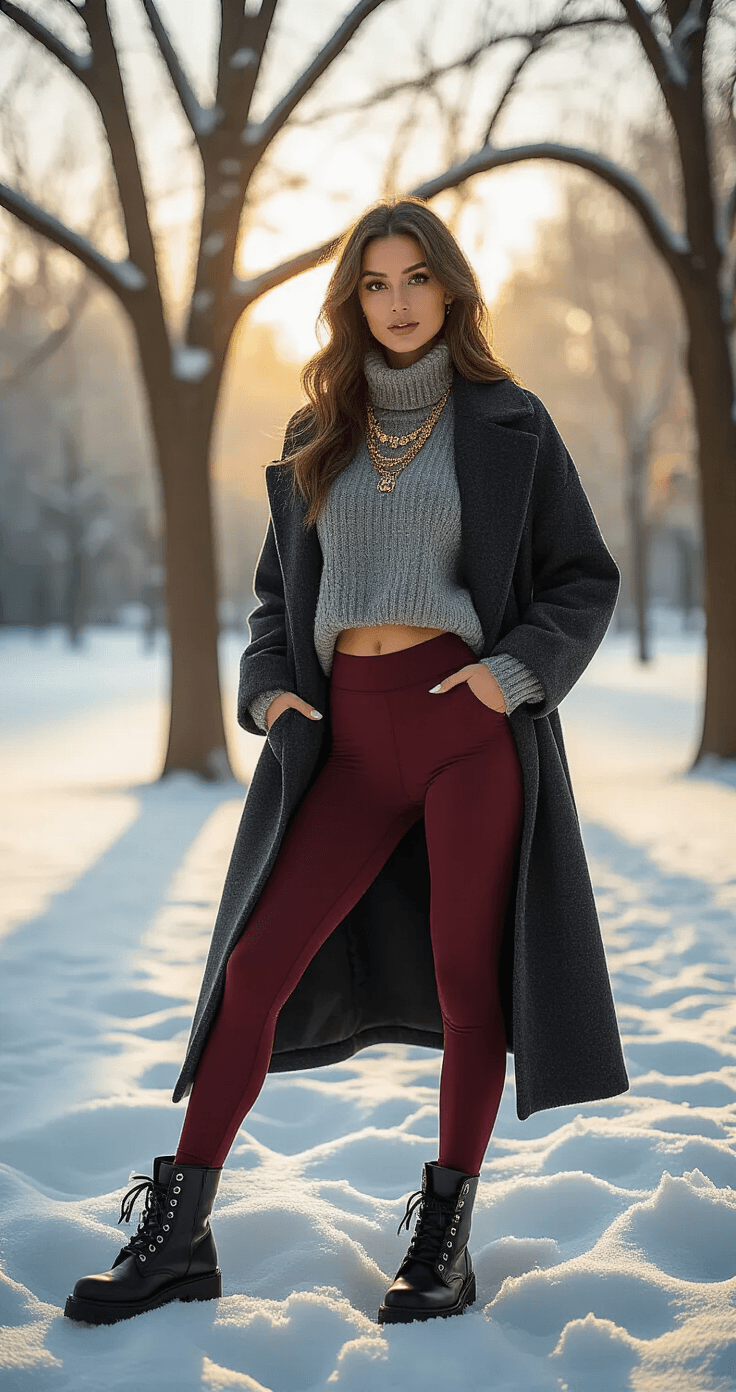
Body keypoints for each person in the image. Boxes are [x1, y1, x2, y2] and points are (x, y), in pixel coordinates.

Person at [65, 198, 628, 1328]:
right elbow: (281, 600)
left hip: (465, 731)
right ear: (350, 299)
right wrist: (269, 689)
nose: (398, 301)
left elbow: (583, 576)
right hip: (348, 746)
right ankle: (180, 1236)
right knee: (253, 967)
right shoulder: (316, 431)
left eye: (416, 277)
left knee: (471, 982)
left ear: (452, 288)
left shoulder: (510, 420)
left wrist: (506, 674)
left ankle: (444, 1240)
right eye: (374, 283)